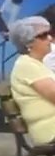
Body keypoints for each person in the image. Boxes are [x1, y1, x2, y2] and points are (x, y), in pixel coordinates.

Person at [7, 16, 55, 144]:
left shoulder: (37, 64)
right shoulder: (27, 65)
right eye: (43, 36)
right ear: (28, 42)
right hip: (49, 129)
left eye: (49, 34)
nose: (49, 39)